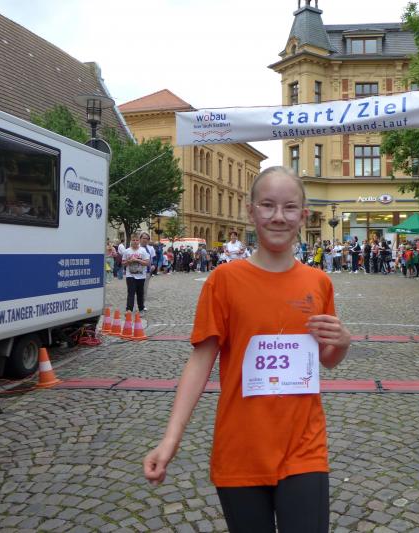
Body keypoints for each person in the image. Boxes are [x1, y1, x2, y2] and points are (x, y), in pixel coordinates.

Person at [143, 167, 350, 533]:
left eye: (289, 207)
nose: (278, 216)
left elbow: (326, 359)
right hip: (240, 448)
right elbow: (200, 361)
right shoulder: (224, 281)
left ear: (303, 215)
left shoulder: (318, 282)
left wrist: (342, 343)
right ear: (250, 211)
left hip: (305, 447)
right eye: (267, 205)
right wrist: (170, 440)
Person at [122, 233, 150, 314]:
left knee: (140, 293)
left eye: (137, 240)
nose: (135, 242)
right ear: (131, 241)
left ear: (139, 241)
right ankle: (129, 309)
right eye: (133, 240)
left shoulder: (143, 250)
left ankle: (141, 309)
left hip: (141, 276)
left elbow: (147, 263)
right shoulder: (127, 251)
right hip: (130, 275)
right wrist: (129, 261)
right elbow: (123, 263)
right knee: (131, 292)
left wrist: (137, 260)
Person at [139, 232, 156, 310]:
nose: (145, 240)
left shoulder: (151, 248)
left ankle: (142, 305)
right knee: (137, 289)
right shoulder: (137, 247)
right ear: (140, 239)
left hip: (147, 272)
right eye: (144, 238)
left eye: (147, 238)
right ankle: (136, 303)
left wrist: (153, 265)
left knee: (144, 289)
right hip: (138, 272)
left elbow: (154, 259)